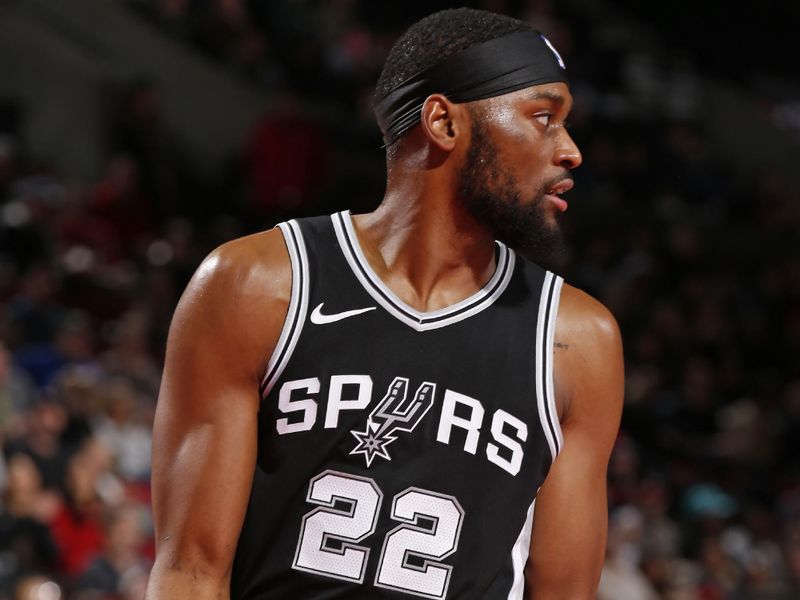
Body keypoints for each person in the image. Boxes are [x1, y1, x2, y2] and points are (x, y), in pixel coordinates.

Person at [146, 7, 623, 600]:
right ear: (444, 123)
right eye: (544, 118)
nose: (571, 151)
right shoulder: (258, 283)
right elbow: (191, 569)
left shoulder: (576, 340)